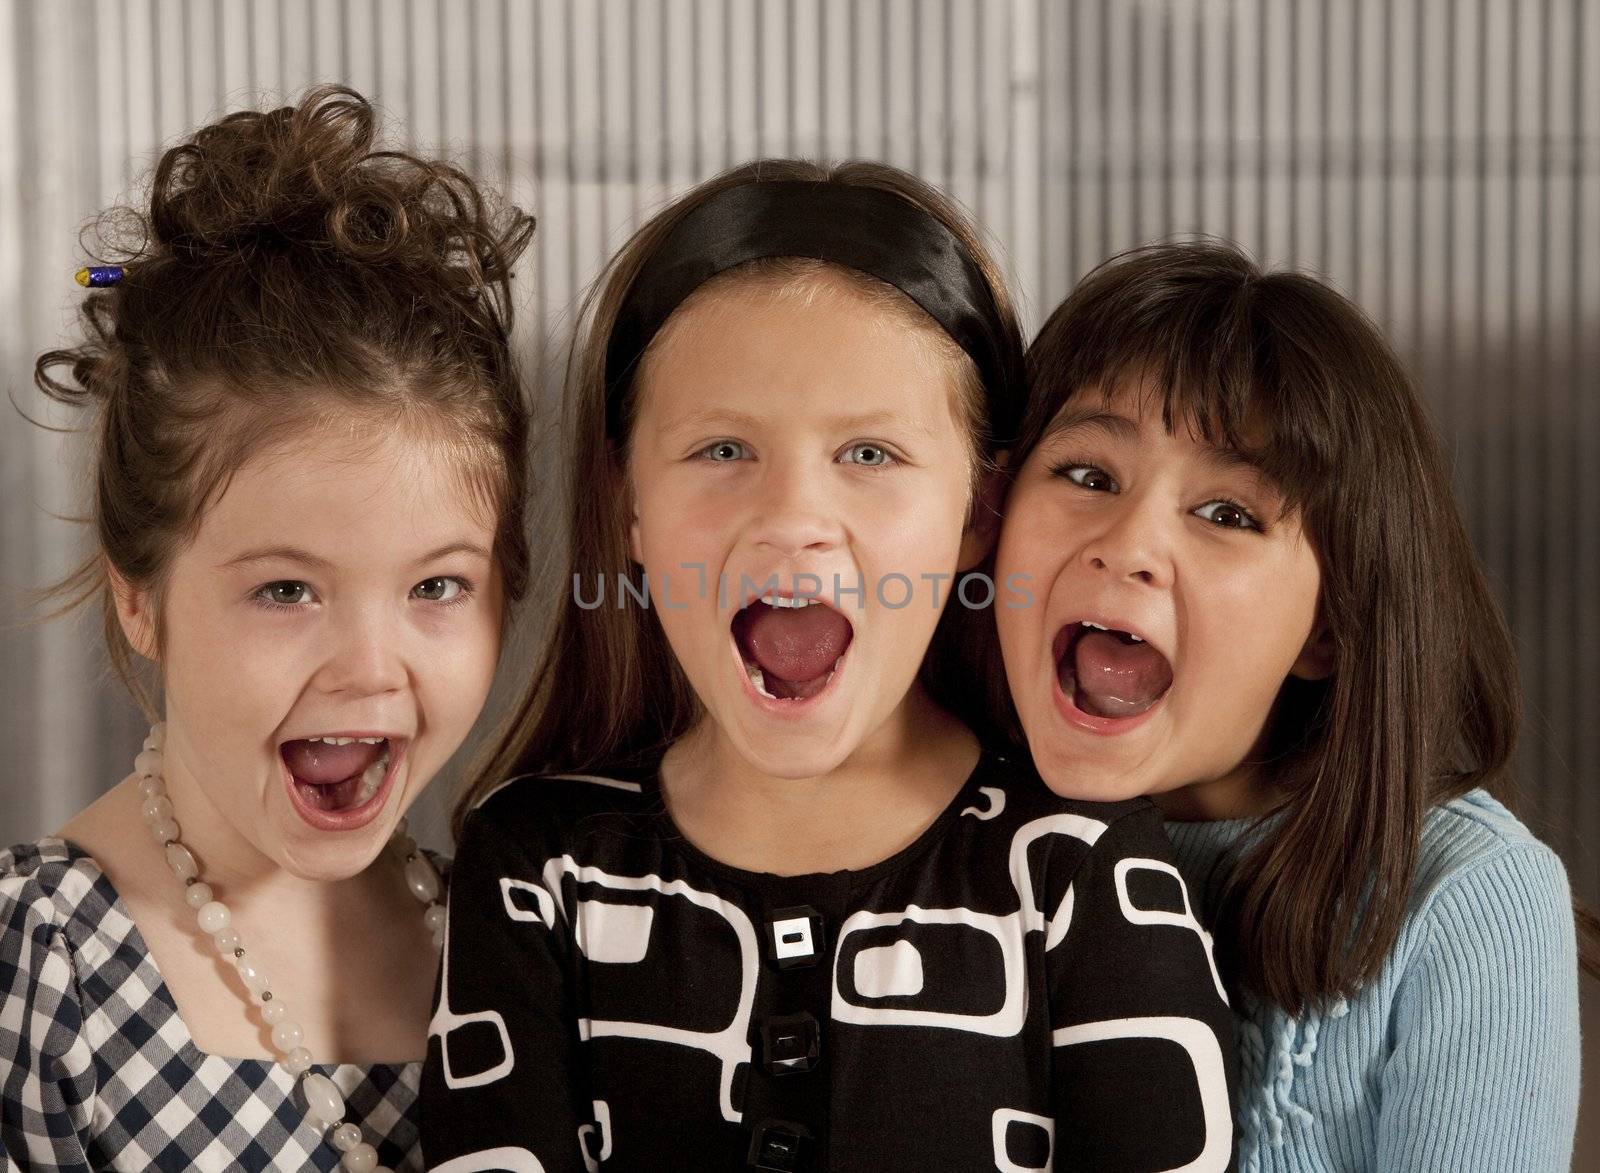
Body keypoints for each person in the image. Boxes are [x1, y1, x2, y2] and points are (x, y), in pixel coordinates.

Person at [422, 162, 1238, 1172]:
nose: (794, 521)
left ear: (979, 512)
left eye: (869, 455)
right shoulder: (537, 869)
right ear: (626, 501)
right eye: (721, 450)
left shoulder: (1079, 873)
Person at [2, 85, 534, 1172]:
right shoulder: (40, 966)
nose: (369, 668)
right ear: (139, 597)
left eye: (436, 587)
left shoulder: (515, 938)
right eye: (287, 591)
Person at [990, 241, 1583, 1171]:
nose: (1128, 543)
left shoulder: (1468, 899)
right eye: (1088, 475)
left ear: (1329, 631)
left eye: (1229, 513)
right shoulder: (941, 838)